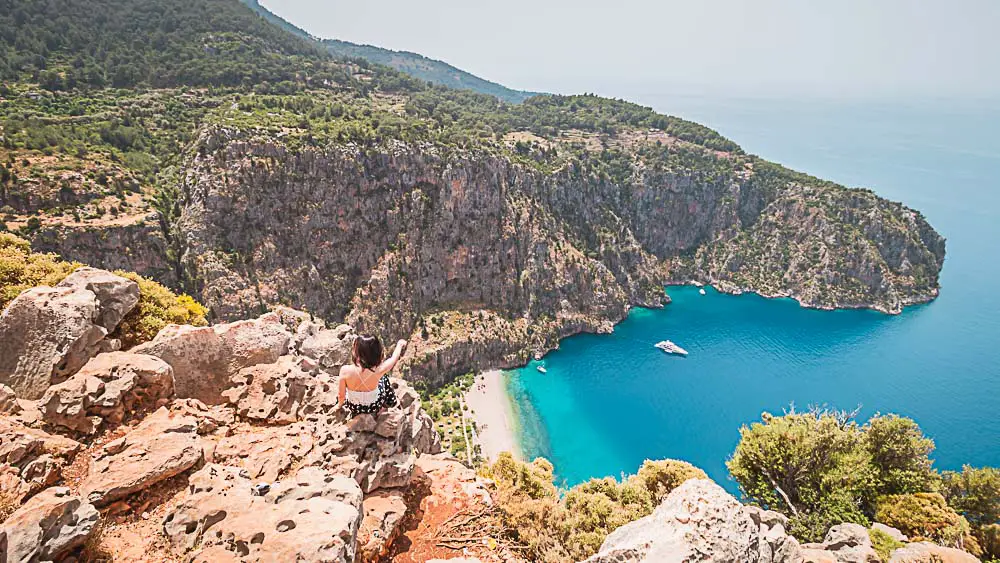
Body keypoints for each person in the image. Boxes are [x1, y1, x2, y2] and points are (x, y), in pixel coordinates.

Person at [338, 335, 406, 417]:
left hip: (353, 407)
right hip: (373, 407)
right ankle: (391, 402)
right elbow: (393, 358)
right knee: (384, 378)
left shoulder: (345, 370)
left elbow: (341, 395)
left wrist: (339, 405)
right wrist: (399, 345)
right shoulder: (379, 370)